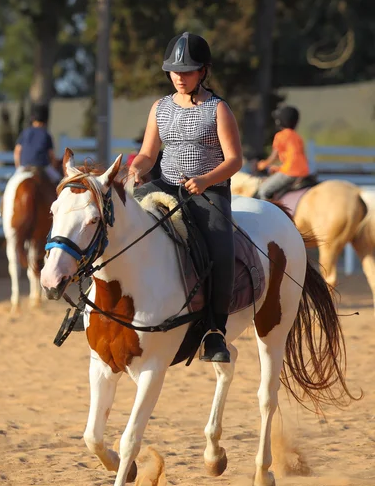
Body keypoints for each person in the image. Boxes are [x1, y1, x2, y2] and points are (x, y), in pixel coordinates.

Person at [128, 31, 243, 363]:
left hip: (208, 193)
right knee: (117, 225)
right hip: (164, 187)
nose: (180, 77)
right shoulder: (160, 107)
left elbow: (235, 160)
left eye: (188, 71)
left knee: (221, 251)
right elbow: (149, 153)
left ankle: (215, 333)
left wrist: (206, 180)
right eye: (175, 71)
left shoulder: (218, 109)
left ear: (203, 71)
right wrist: (137, 168)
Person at [256, 106, 309, 199]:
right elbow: (295, 158)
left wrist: (263, 164)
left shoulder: (280, 136)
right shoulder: (298, 137)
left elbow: (274, 157)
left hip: (290, 172)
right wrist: (278, 168)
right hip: (304, 172)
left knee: (263, 190)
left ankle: (268, 213)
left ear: (279, 121)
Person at [14, 104, 61, 183]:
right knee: (59, 180)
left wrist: (19, 167)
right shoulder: (46, 134)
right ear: (45, 119)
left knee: (11, 185)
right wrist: (53, 166)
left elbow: (17, 151)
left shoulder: (25, 132)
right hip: (42, 167)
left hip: (24, 166)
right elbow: (51, 155)